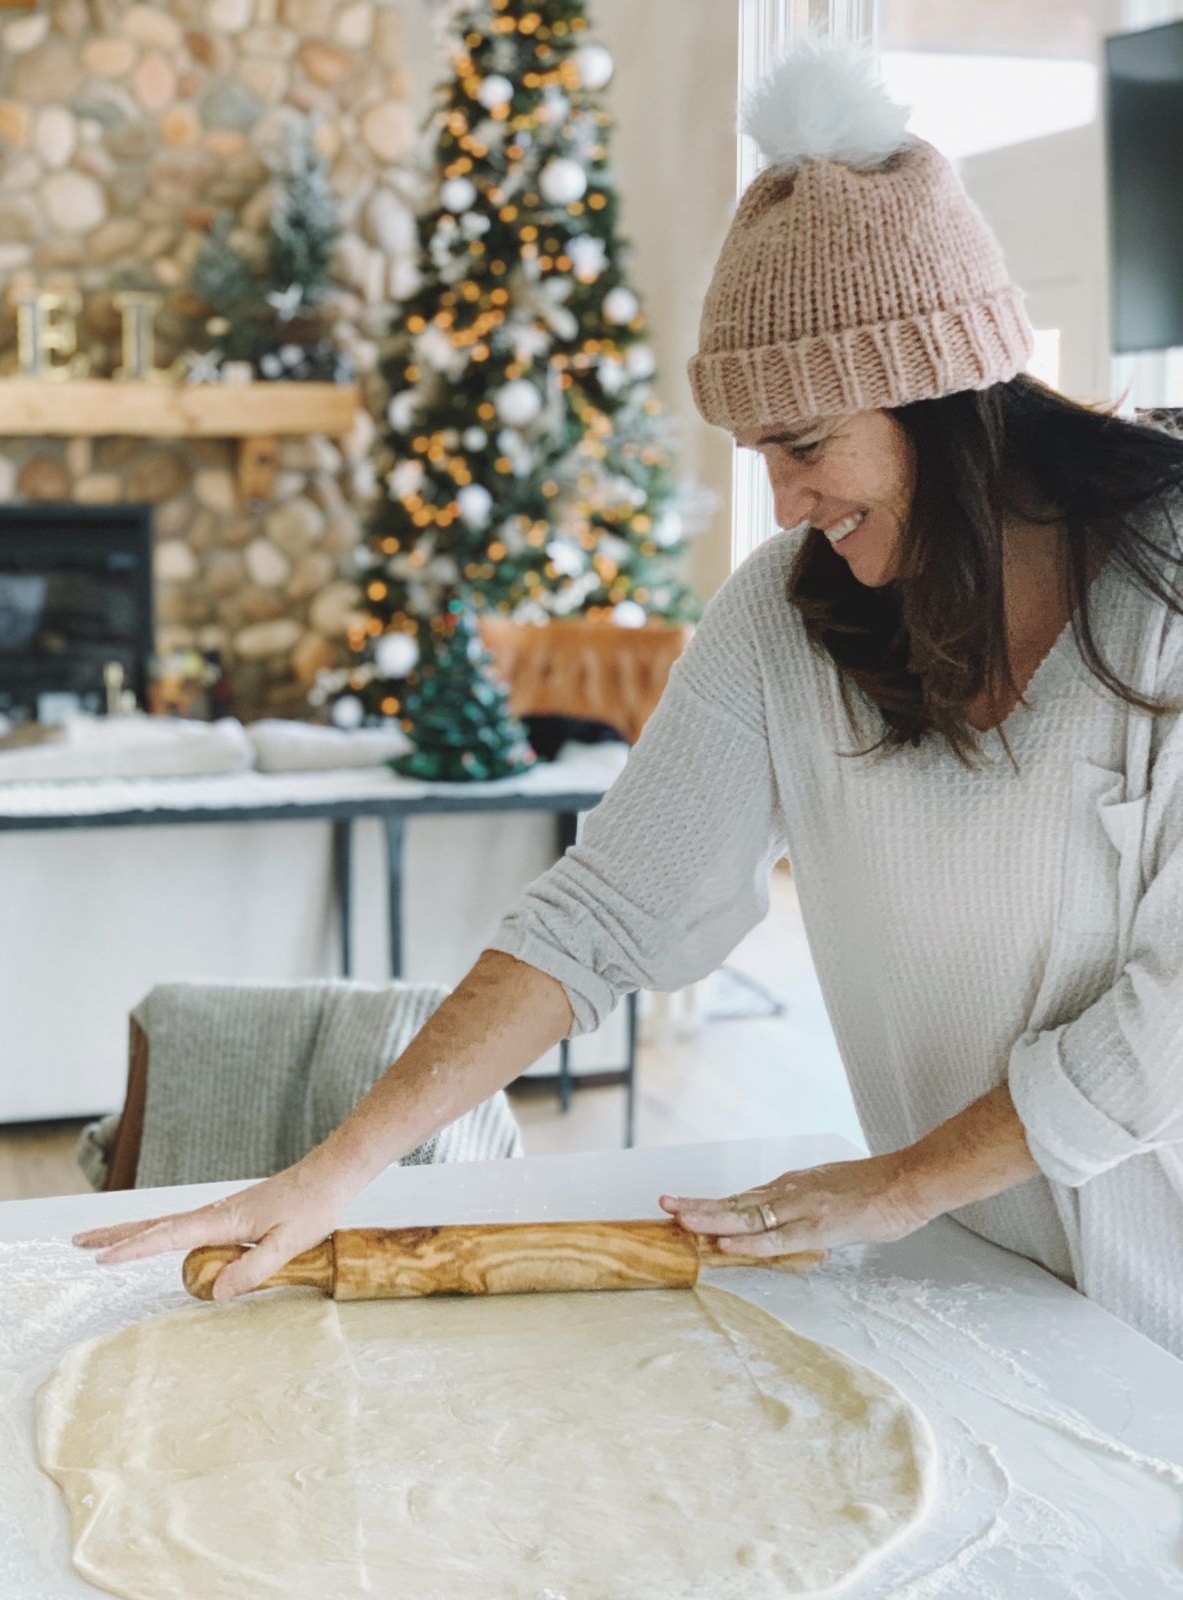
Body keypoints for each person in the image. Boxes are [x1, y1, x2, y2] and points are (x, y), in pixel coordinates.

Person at [77, 44, 1183, 1355]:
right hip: (979, 1277)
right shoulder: (784, 614)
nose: (785, 505)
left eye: (808, 445)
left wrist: (891, 1187)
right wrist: (336, 1171)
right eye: (760, 455)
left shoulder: (1164, 584)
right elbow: (600, 919)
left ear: (946, 399)